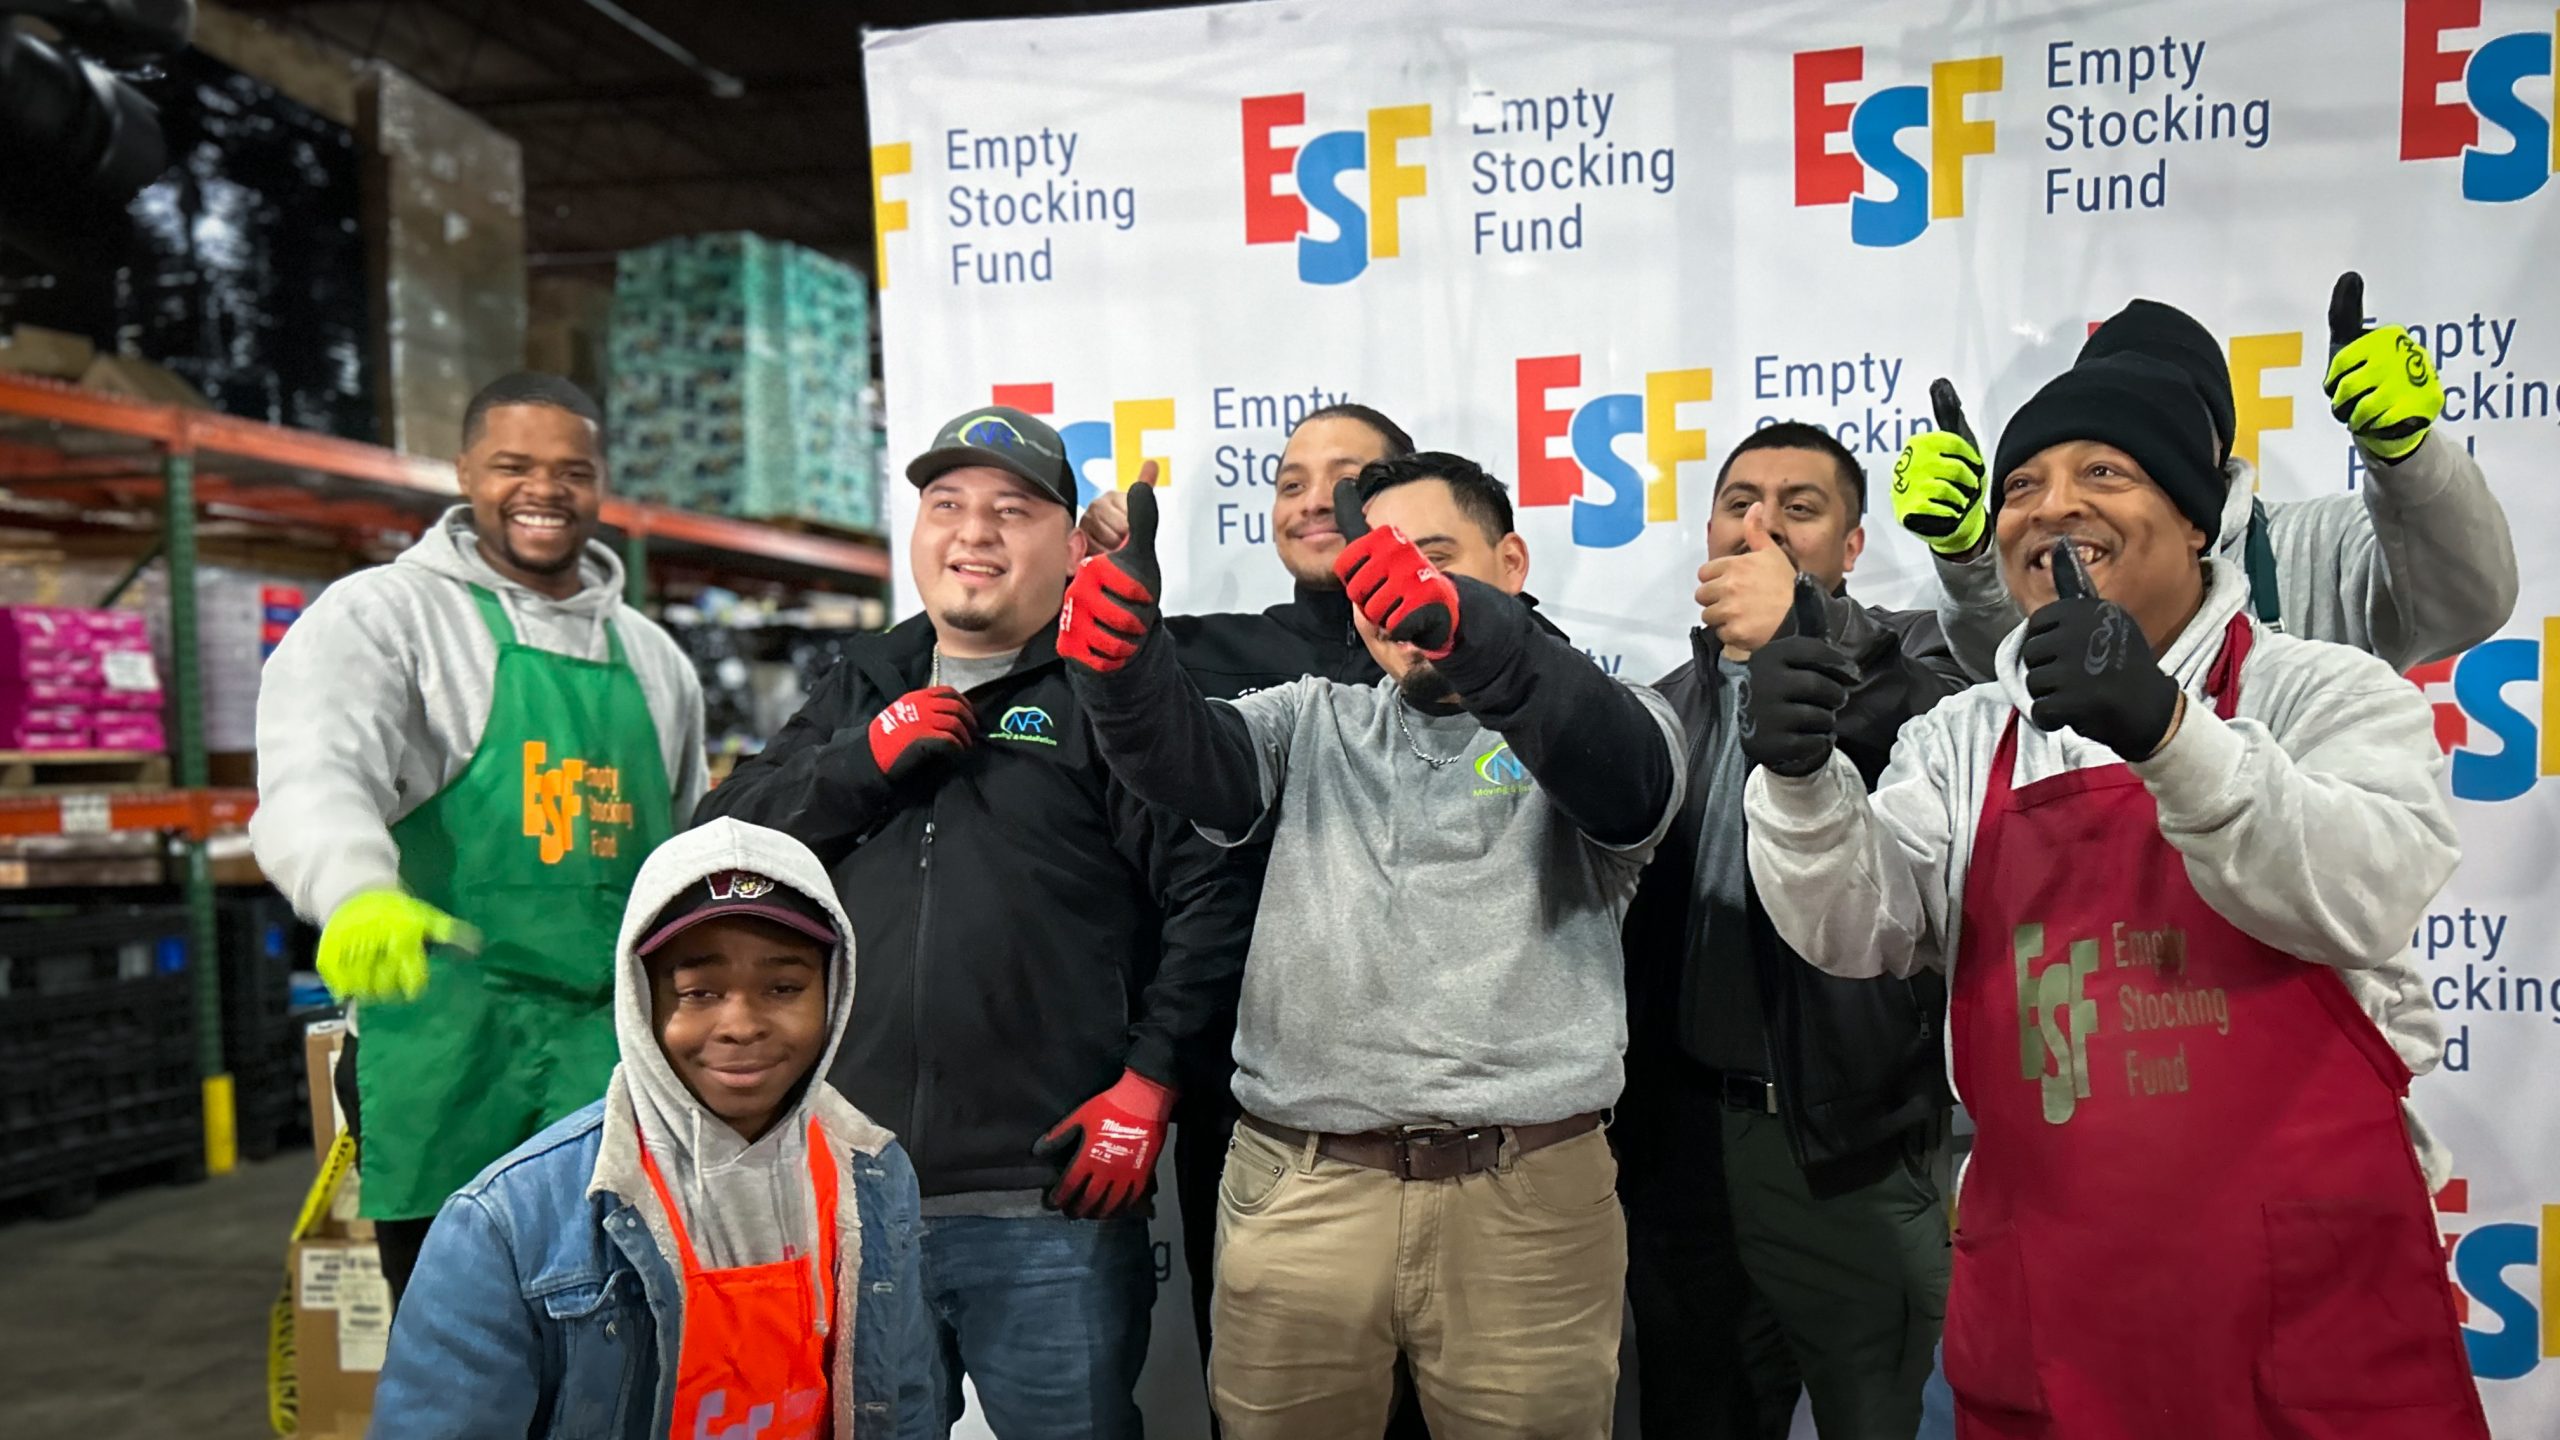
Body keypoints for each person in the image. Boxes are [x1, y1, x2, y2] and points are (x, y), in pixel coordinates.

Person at [1743, 351, 2487, 1438]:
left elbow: (2365, 888)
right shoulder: (1964, 736)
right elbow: (1858, 928)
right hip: (2054, 1320)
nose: (2053, 508)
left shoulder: (2319, 689)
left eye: (2104, 472)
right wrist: (1800, 782)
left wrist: (2166, 731)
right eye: (2021, 485)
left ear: (2196, 520)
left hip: (2310, 1326)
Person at [1058, 453, 1685, 1439]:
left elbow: (1623, 774)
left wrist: (1475, 633)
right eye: (1373, 574)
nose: (1398, 594)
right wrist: (1126, 677)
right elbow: (1189, 759)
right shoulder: (1309, 719)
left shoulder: (1611, 716)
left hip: (1528, 1206)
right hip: (1303, 1194)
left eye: (1430, 561)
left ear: (1511, 562)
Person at [696, 405, 1251, 1440]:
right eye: (946, 505)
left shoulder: (1113, 692)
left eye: (1013, 509)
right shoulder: (861, 682)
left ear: (1075, 543)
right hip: (854, 1191)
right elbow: (718, 850)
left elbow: (1210, 893)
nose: (975, 532)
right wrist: (859, 763)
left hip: (1044, 1199)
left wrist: (1152, 1080)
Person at [251, 372, 707, 1303]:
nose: (544, 490)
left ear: (600, 482)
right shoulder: (387, 616)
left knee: (628, 1328)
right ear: (464, 470)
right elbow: (315, 769)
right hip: (452, 1046)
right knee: (463, 1337)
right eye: (512, 465)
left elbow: (685, 838)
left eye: (571, 470)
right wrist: (352, 888)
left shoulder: (656, 658)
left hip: (616, 1058)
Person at [1618, 422, 1965, 1440]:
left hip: (1847, 1147)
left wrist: (1804, 631)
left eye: (1798, 508)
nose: (1759, 526)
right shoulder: (1661, 710)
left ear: (1851, 548)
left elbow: (1944, 735)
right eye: (1738, 504)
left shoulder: (1917, 664)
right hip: (1682, 1152)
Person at [370, 817, 929, 1438]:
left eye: (783, 987)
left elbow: (900, 1399)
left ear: (834, 994)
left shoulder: (872, 1176)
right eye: (699, 992)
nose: (741, 1024)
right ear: (643, 1001)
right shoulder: (503, 1227)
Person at [1082, 402, 1399, 1431]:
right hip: (1249, 1099)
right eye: (1290, 478)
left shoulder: (1485, 659)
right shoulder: (1195, 655)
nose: (1312, 499)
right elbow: (1191, 879)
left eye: (1345, 477)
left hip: (1449, 1111)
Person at [1892, 277, 2518, 679]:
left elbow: (2468, 604)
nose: (2060, 501)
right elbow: (2012, 670)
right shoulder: (2048, 540)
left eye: (2175, 409)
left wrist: (2409, 458)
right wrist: (1970, 557)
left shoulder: (2322, 544)